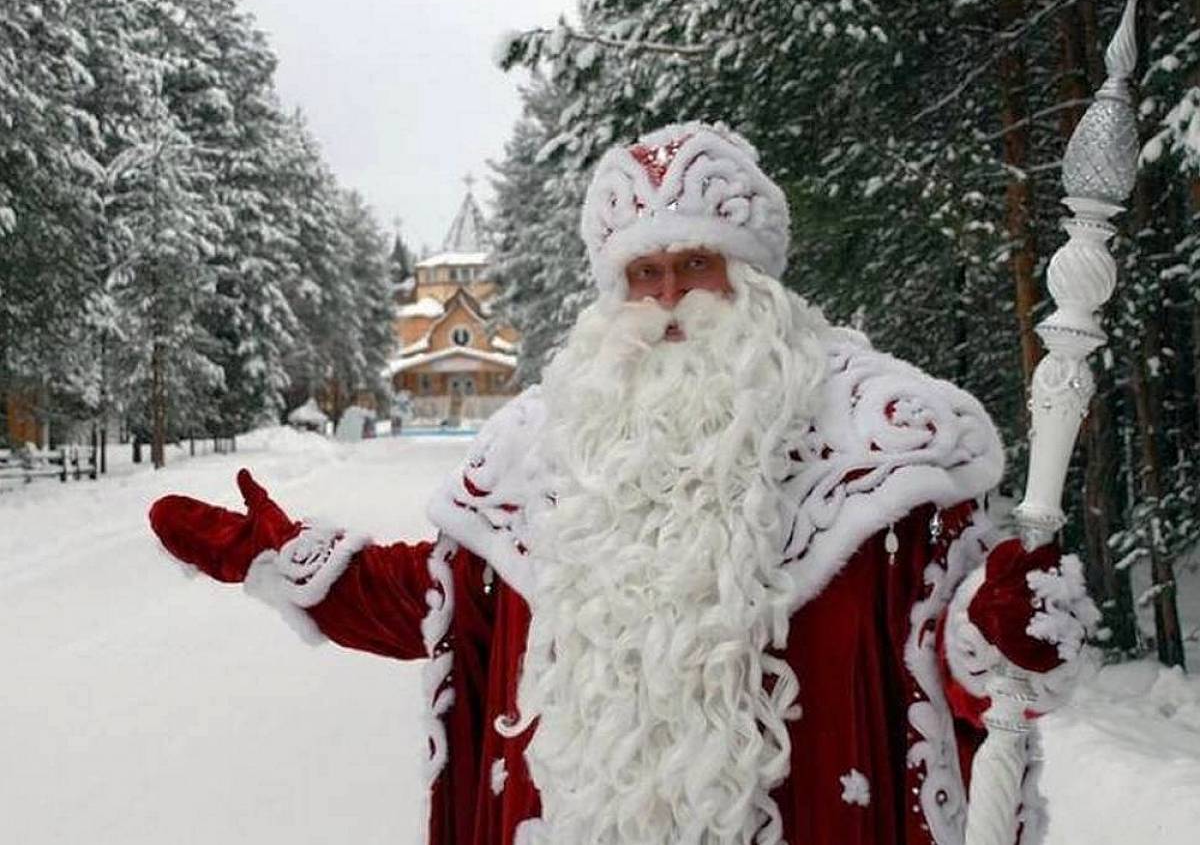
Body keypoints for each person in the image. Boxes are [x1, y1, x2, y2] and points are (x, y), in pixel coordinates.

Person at [149, 122, 1097, 845]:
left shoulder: (887, 448)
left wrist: (1004, 633)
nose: (671, 292)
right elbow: (444, 602)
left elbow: (965, 657)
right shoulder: (545, 444)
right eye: (645, 270)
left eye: (696, 262)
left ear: (755, 276)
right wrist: (277, 557)